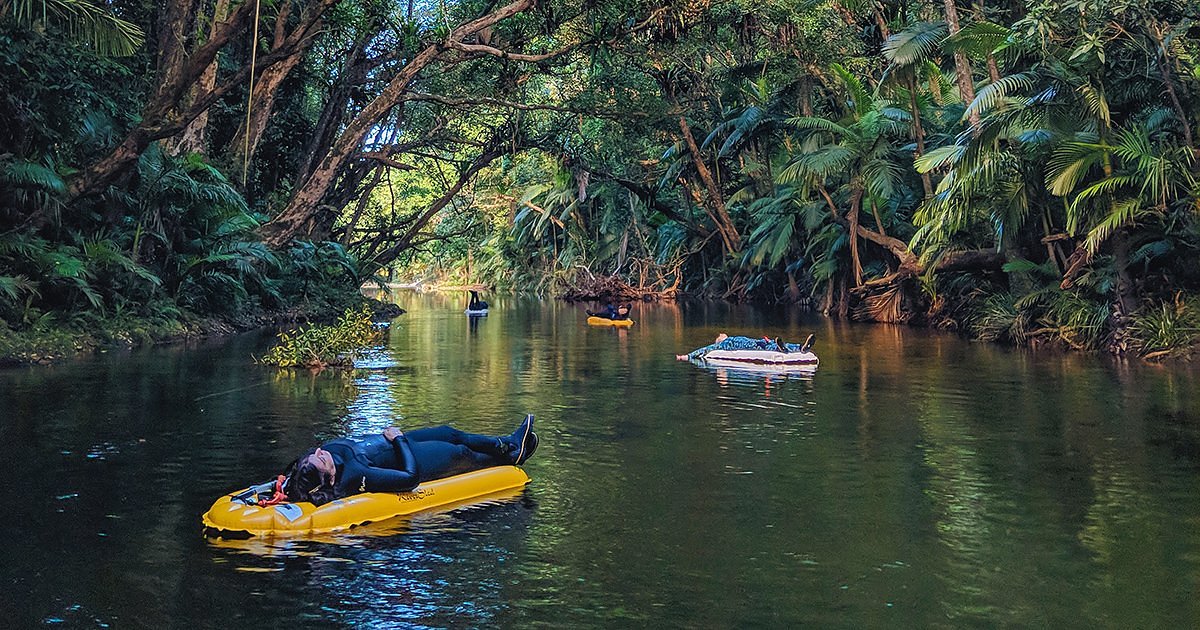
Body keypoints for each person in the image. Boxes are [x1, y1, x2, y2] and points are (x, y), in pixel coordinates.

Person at [281, 415, 538, 506]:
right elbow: (410, 479)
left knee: (450, 432)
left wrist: (276, 488)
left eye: (316, 454)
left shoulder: (304, 467)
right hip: (409, 455)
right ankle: (511, 457)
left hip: (396, 442)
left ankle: (509, 444)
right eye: (320, 461)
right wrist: (398, 440)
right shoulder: (355, 474)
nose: (318, 452)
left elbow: (291, 474)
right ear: (330, 477)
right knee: (460, 453)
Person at [675, 333, 814, 361]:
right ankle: (780, 348)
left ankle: (801, 348)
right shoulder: (722, 345)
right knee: (766, 347)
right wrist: (686, 356)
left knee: (771, 342)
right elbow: (703, 350)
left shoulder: (730, 338)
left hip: (756, 340)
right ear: (718, 341)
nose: (722, 334)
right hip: (748, 346)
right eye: (720, 335)